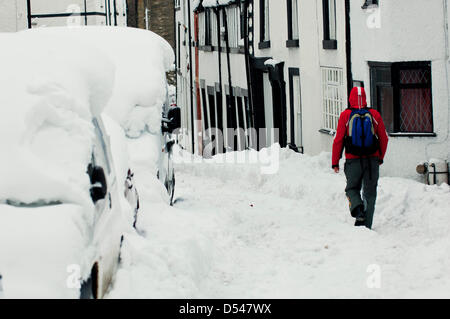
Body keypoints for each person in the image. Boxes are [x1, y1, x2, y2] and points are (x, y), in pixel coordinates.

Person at [332, 86, 389, 229]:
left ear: (350, 98)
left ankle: (358, 210)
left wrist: (335, 162)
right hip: (372, 160)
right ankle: (367, 226)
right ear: (365, 98)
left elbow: (338, 140)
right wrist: (380, 157)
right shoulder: (374, 115)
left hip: (353, 160)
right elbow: (383, 138)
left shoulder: (345, 116)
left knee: (352, 188)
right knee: (370, 193)